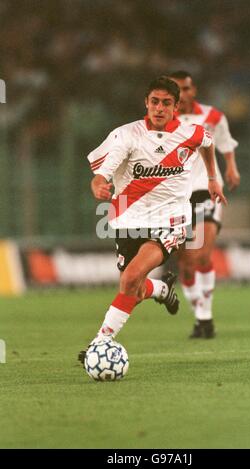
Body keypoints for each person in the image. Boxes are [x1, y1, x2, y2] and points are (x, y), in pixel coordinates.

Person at [79, 76, 226, 362]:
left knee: (132, 277)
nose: (159, 108)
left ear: (176, 106)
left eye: (166, 103)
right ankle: (160, 288)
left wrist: (211, 178)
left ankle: (99, 343)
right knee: (131, 285)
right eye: (155, 102)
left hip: (170, 220)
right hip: (127, 218)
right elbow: (103, 172)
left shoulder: (190, 133)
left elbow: (207, 143)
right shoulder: (126, 136)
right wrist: (98, 184)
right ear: (146, 103)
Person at [169, 70, 240, 339]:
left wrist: (231, 167)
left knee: (202, 255)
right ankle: (201, 317)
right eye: (178, 89)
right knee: (185, 264)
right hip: (177, 196)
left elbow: (225, 143)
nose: (183, 94)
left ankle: (206, 317)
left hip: (208, 190)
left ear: (193, 89)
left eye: (186, 88)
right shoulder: (162, 121)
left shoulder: (212, 116)